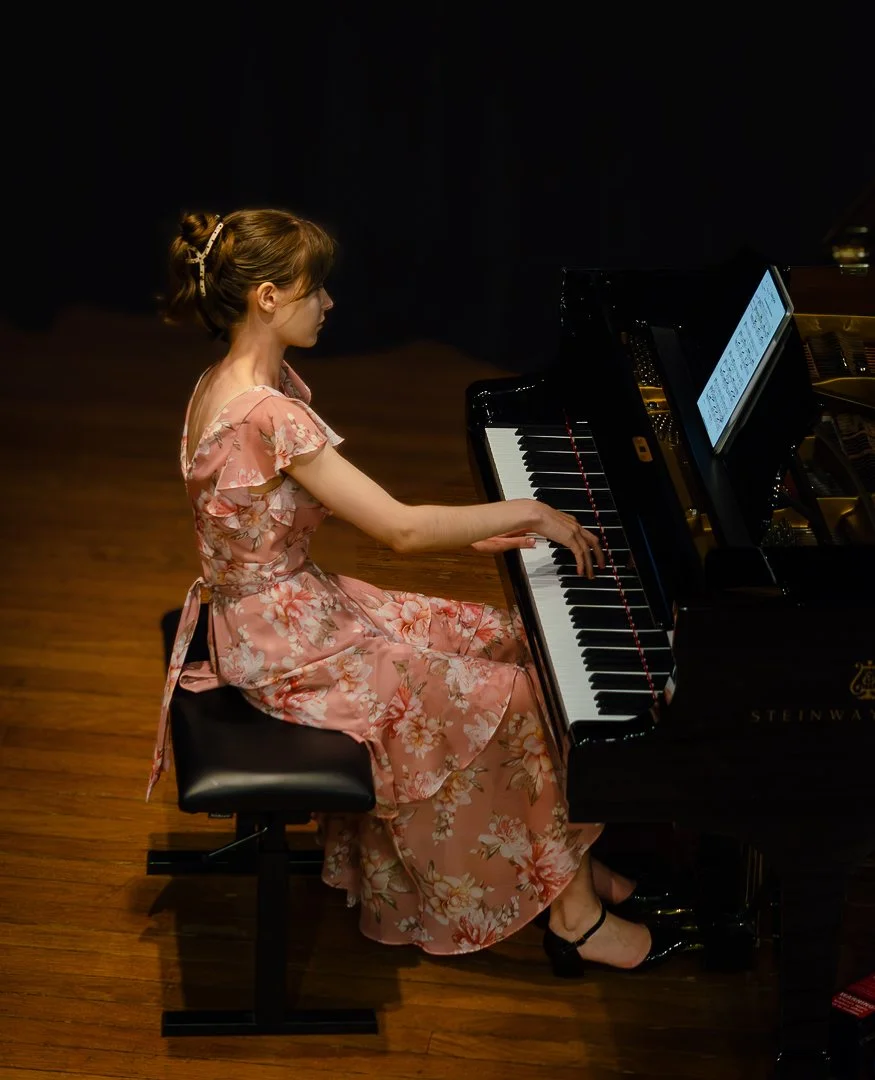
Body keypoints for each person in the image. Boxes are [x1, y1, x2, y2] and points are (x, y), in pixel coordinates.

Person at [148, 206, 686, 974]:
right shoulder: (265, 411)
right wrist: (530, 508)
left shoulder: (229, 381)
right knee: (521, 698)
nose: (328, 303)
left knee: (512, 637)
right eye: (315, 289)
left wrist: (478, 528)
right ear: (267, 297)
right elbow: (397, 529)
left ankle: (563, 867)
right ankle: (573, 917)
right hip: (287, 647)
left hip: (289, 610)